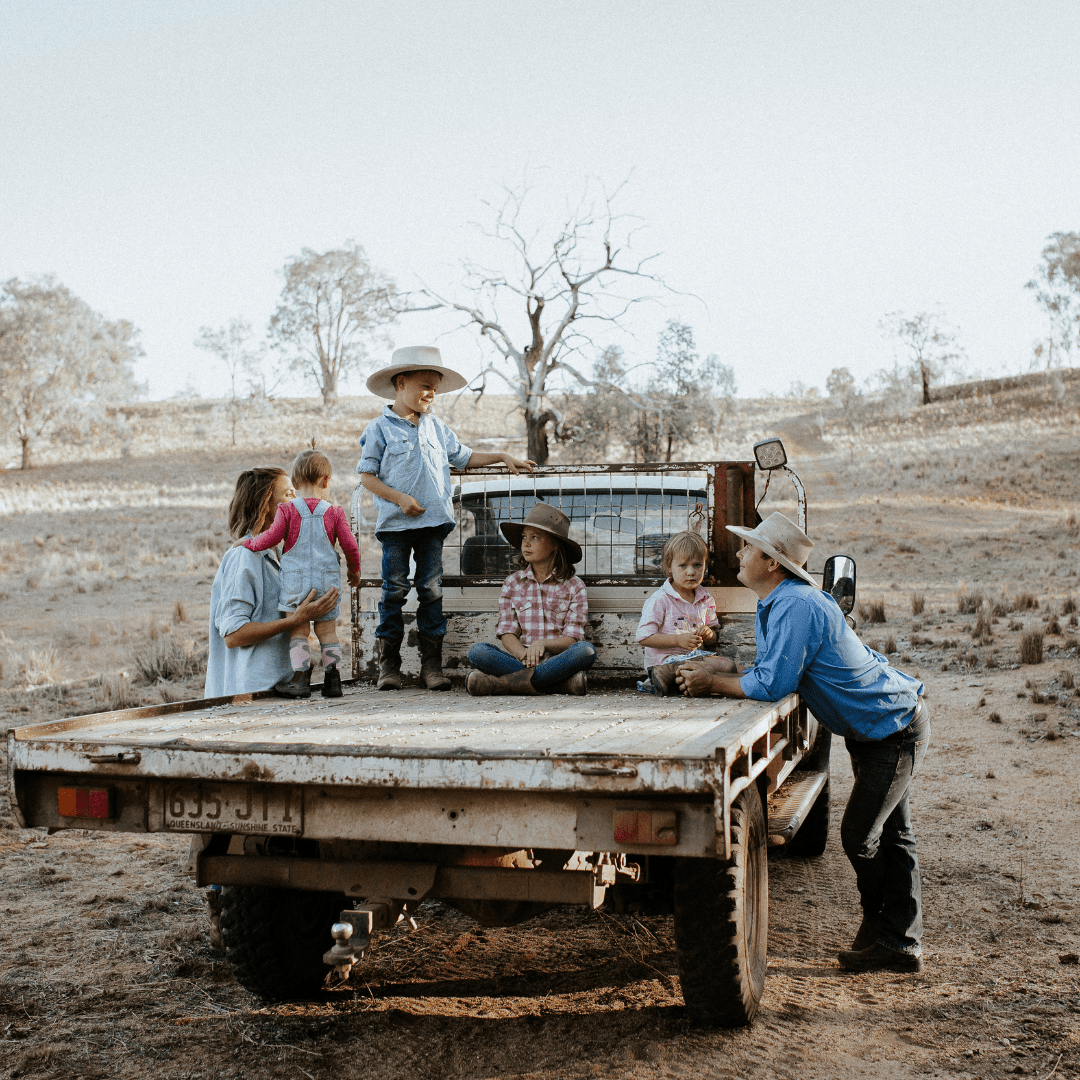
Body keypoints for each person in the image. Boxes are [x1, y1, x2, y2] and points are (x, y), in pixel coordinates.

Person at [675, 512, 930, 974]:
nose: (738, 553)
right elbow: (773, 668)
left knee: (862, 836)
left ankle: (889, 934)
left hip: (893, 729)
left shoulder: (795, 605)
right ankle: (897, 939)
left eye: (749, 548)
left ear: (772, 563)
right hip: (881, 724)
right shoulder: (779, 600)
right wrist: (721, 669)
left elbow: (772, 684)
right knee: (892, 834)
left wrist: (713, 684)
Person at [358, 345, 534, 691]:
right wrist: (400, 500)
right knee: (394, 591)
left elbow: (464, 457)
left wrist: (500, 456)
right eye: (425, 386)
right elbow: (367, 477)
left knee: (431, 591)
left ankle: (431, 667)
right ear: (401, 382)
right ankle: (389, 666)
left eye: (435, 389)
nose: (431, 395)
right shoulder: (379, 429)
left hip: (432, 525)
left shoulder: (437, 428)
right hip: (395, 526)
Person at [205, 466, 340, 697]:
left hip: (280, 693)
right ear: (264, 504)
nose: (296, 501)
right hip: (249, 697)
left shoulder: (282, 555)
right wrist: (296, 620)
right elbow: (233, 635)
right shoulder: (244, 557)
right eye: (288, 495)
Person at [242, 447, 360, 699]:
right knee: (327, 632)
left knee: (298, 632)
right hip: (327, 585)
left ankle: (301, 680)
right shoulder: (335, 512)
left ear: (294, 483)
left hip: (295, 584)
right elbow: (350, 546)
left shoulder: (288, 510)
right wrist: (354, 571)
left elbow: (271, 538)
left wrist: (249, 544)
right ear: (325, 480)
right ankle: (333, 680)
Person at [465, 503, 596, 695]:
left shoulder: (574, 586)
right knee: (478, 652)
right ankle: (559, 685)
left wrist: (542, 644)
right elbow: (507, 631)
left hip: (557, 661)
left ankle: (500, 684)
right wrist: (524, 656)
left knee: (585, 651)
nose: (526, 543)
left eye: (535, 537)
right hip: (521, 659)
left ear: (554, 545)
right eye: (524, 537)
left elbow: (572, 639)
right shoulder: (512, 583)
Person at [636, 530, 735, 695]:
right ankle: (664, 677)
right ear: (669, 566)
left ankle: (682, 683)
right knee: (706, 669)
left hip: (696, 659)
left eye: (697, 565)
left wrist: (708, 634)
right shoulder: (660, 599)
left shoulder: (705, 599)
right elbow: (643, 637)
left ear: (705, 565)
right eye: (683, 566)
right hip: (665, 662)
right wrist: (678, 640)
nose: (691, 572)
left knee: (729, 666)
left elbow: (713, 638)